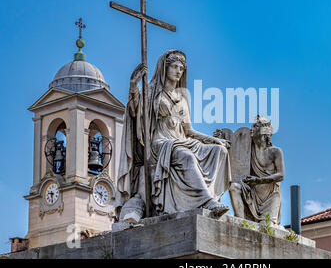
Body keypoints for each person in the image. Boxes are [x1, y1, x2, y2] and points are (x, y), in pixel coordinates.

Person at [116, 50, 231, 218]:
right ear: (165, 68)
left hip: (181, 140)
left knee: (219, 152)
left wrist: (215, 140)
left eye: (181, 68)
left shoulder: (182, 98)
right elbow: (135, 113)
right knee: (186, 156)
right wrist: (134, 87)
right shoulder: (152, 92)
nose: (178, 71)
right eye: (174, 67)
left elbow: (189, 131)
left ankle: (214, 196)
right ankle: (207, 201)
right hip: (160, 142)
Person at [229, 115, 284, 226]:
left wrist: (259, 180)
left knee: (266, 226)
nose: (251, 129)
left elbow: (280, 175)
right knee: (234, 187)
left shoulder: (275, 152)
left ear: (264, 131)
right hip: (253, 191)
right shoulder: (248, 149)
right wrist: (220, 138)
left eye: (255, 126)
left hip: (270, 194)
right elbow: (233, 151)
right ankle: (240, 222)